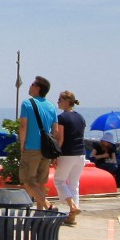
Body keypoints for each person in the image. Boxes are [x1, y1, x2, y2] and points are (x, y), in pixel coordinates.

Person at [18, 76, 58, 210]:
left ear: (37, 88)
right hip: (46, 149)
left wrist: (22, 144)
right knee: (41, 181)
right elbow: (55, 130)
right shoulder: (51, 106)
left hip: (31, 147)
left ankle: (47, 205)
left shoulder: (27, 104)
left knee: (28, 181)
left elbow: (23, 125)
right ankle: (40, 213)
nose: (29, 86)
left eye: (32, 84)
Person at [51, 90, 87, 225]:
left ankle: (72, 206)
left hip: (67, 153)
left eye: (59, 100)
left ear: (66, 101)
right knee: (74, 184)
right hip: (81, 153)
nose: (58, 102)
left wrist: (55, 154)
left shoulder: (62, 118)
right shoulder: (80, 117)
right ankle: (72, 216)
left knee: (59, 181)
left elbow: (60, 138)